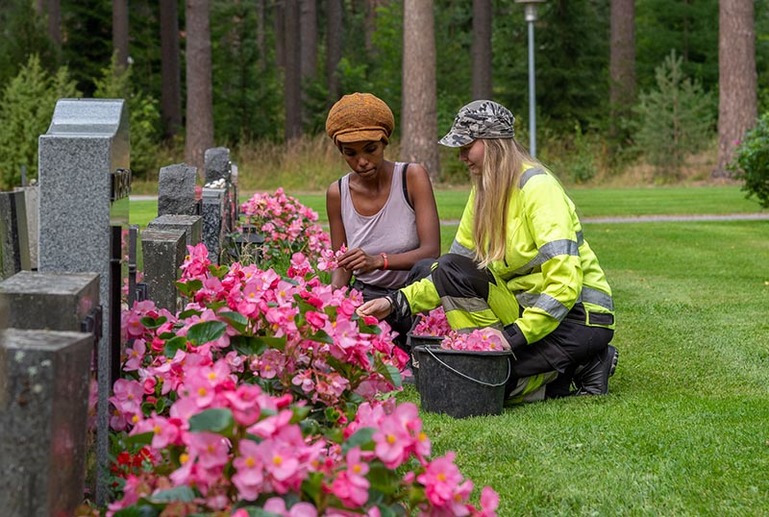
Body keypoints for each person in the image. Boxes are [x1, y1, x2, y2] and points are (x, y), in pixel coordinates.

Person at [356, 99, 617, 401]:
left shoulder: (538, 189)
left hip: (576, 318)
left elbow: (565, 285)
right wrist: (395, 303)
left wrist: (508, 339)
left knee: (477, 382)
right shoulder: (482, 193)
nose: (462, 157)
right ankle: (569, 371)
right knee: (469, 371)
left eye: (467, 146)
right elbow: (451, 271)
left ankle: (588, 361)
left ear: (494, 143)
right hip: (525, 313)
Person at [325, 92, 441, 351]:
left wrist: (377, 260)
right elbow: (342, 263)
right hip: (369, 296)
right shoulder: (338, 192)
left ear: (384, 142)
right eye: (350, 153)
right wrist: (330, 299)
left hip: (414, 295)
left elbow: (431, 252)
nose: (362, 162)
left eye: (370, 149)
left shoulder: (412, 177)